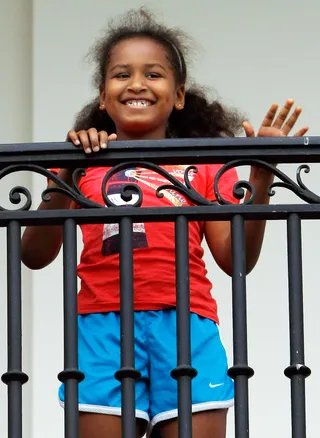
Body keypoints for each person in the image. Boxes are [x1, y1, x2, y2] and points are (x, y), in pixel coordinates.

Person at [21, 7, 309, 438]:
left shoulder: (206, 164)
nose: (137, 84)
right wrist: (64, 171)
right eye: (121, 74)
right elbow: (33, 254)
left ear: (177, 95)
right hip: (102, 327)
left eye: (153, 74)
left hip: (186, 324)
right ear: (102, 96)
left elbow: (237, 259)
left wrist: (261, 174)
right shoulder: (83, 168)